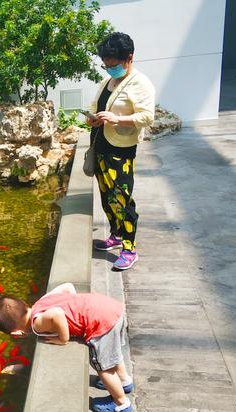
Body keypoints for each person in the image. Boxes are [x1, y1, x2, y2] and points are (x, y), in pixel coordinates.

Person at [0, 283, 134, 412]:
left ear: (16, 334)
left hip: (101, 323)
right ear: (25, 304)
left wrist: (62, 339)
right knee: (112, 354)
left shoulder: (37, 323)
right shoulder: (40, 303)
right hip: (111, 308)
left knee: (103, 367)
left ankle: (120, 403)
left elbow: (57, 313)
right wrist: (73, 305)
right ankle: (124, 380)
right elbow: (68, 287)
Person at [86, 32, 155, 270]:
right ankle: (116, 235)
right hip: (102, 146)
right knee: (107, 197)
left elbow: (147, 116)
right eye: (105, 65)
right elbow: (96, 105)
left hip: (121, 151)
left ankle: (129, 248)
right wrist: (93, 118)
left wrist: (117, 119)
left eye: (113, 65)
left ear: (129, 57)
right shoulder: (108, 82)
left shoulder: (140, 82)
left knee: (122, 199)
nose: (109, 69)